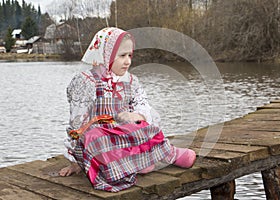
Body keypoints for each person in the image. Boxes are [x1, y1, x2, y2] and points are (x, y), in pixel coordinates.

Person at [59, 27, 196, 192]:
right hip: (102, 139)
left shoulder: (130, 81)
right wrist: (76, 161)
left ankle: (168, 154)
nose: (128, 61)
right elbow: (77, 124)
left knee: (144, 126)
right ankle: (139, 161)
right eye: (122, 56)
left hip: (123, 133)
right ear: (105, 55)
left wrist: (136, 115)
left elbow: (142, 102)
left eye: (130, 55)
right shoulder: (87, 81)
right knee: (95, 138)